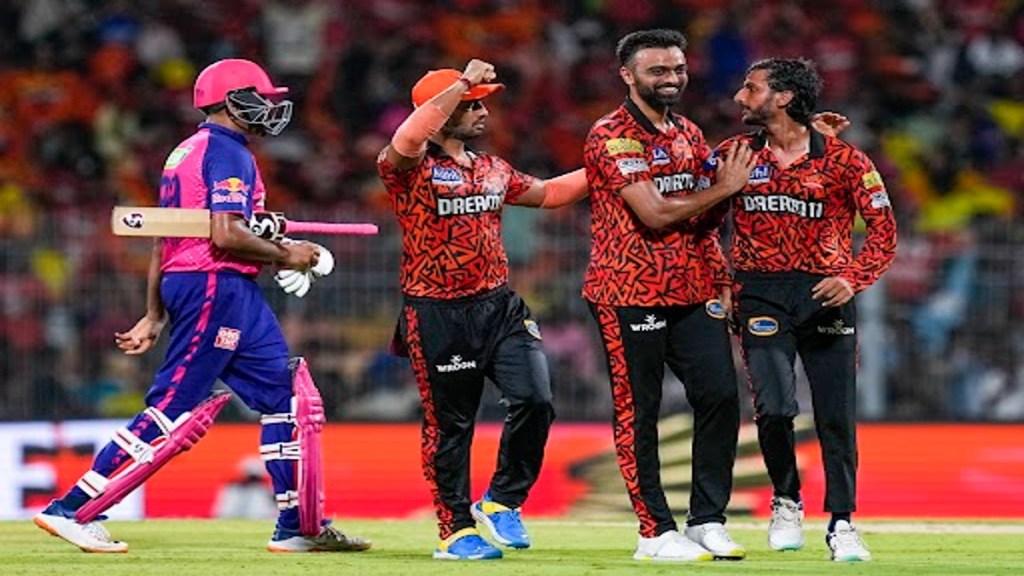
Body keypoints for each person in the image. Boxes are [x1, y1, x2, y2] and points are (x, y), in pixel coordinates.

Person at [33, 58, 370, 555]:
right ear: (233, 101)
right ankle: (72, 509)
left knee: (289, 398)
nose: (269, 107)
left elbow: (163, 238)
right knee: (175, 406)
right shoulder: (227, 151)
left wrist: (154, 312)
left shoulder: (185, 152)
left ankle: (298, 526)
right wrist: (290, 254)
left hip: (218, 285)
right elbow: (227, 233)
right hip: (215, 286)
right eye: (260, 97)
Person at [376, 59, 589, 560]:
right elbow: (408, 138)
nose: (483, 111)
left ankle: (501, 501)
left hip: (500, 307)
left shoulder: (493, 167)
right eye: (472, 105)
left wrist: (604, 166)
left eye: (481, 103)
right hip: (437, 314)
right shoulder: (407, 168)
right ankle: (453, 531)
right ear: (442, 110)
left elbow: (551, 193)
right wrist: (461, 83)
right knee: (451, 426)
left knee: (536, 399)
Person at [581, 28, 757, 562]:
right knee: (641, 410)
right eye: (658, 70)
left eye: (677, 69)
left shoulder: (687, 131)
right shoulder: (613, 135)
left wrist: (723, 279)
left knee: (721, 398)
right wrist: (723, 188)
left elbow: (707, 217)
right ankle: (654, 532)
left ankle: (705, 519)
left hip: (695, 286)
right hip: (629, 289)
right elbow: (655, 212)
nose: (672, 79)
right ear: (628, 76)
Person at [720, 57, 897, 562]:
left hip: (825, 295)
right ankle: (785, 500)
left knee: (835, 416)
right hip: (760, 293)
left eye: (750, 88)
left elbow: (884, 231)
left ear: (782, 98)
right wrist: (722, 281)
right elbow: (702, 216)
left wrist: (853, 278)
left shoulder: (846, 161)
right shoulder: (733, 154)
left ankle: (842, 522)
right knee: (774, 407)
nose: (738, 97)